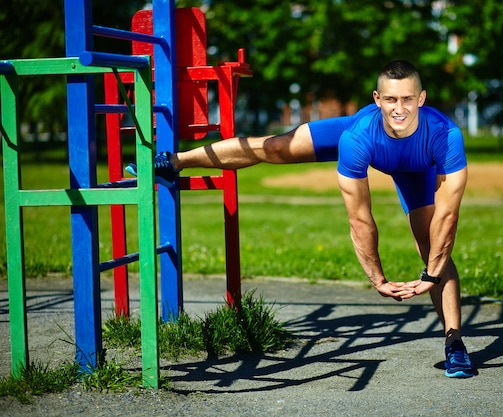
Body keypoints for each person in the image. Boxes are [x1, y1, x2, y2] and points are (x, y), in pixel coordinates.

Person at [126, 60, 476, 378]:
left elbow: (447, 216)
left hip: (420, 169)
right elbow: (360, 219)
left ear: (422, 98)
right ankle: (174, 162)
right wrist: (377, 279)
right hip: (366, 142)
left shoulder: (445, 136)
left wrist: (431, 273)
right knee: (274, 146)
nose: (399, 108)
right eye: (390, 100)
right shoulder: (358, 136)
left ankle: (454, 343)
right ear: (377, 99)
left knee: (432, 244)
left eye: (407, 99)